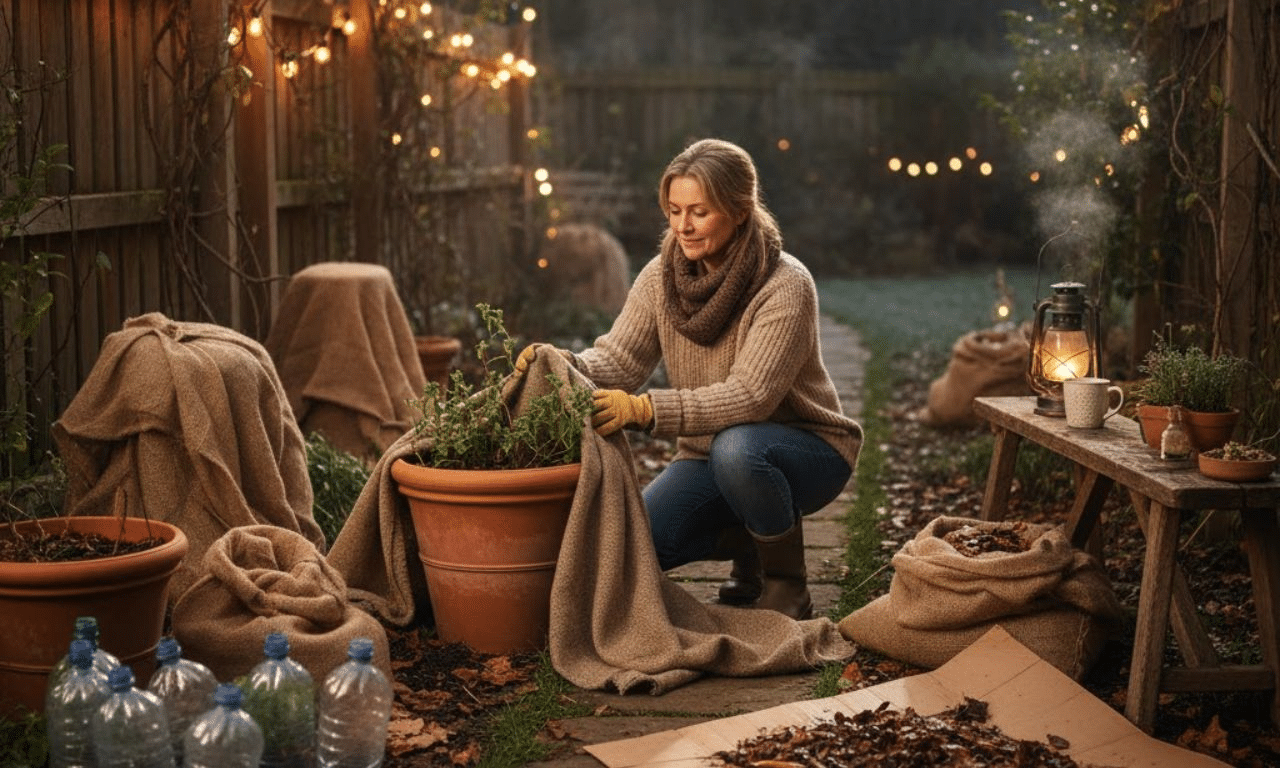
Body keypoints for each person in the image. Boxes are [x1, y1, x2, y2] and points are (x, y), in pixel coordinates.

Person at [518, 138, 862, 620]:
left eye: (699, 212)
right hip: (708, 454)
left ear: (739, 210)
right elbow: (620, 359)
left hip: (804, 450)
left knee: (739, 448)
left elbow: (752, 396)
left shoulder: (784, 284)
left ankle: (786, 583)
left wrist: (647, 410)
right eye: (674, 210)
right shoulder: (662, 277)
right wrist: (562, 364)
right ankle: (750, 549)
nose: (683, 226)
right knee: (641, 547)